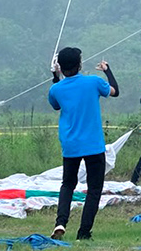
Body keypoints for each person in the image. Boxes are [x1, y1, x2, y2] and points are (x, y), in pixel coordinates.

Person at [47, 46, 119, 240]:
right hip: (93, 145)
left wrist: (56, 77)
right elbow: (114, 91)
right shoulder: (94, 82)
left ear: (60, 67)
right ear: (80, 65)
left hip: (70, 145)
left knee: (67, 185)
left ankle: (60, 222)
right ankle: (84, 233)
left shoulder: (55, 88)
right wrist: (107, 70)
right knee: (94, 189)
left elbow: (56, 104)